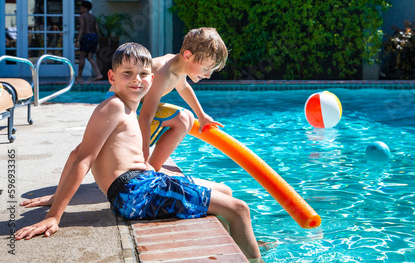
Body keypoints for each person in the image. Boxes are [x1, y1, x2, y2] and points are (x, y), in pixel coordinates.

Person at [15, 43, 262, 261]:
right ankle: (255, 259)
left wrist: (55, 195)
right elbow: (83, 159)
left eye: (143, 74)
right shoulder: (112, 107)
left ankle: (236, 250)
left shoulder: (125, 108)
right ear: (112, 77)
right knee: (239, 209)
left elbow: (77, 152)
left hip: (142, 185)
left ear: (152, 79)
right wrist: (55, 214)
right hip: (135, 193)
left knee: (226, 191)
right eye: (128, 74)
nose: (137, 79)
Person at [137, 27, 228, 171]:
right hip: (120, 113)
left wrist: (202, 116)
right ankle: (148, 167)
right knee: (182, 119)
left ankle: (153, 167)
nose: (208, 75)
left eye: (212, 71)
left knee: (187, 118)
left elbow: (184, 87)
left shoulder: (177, 67)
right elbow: (145, 118)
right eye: (206, 69)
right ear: (187, 56)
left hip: (132, 111)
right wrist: (143, 158)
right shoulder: (162, 72)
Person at [76, 0, 103, 82]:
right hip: (94, 37)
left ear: (83, 8)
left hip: (86, 37)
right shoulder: (93, 17)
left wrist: (77, 39)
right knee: (90, 57)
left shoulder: (82, 16)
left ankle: (79, 77)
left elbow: (82, 27)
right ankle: (98, 74)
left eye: (81, 7)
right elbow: (97, 30)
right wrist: (97, 42)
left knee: (82, 57)